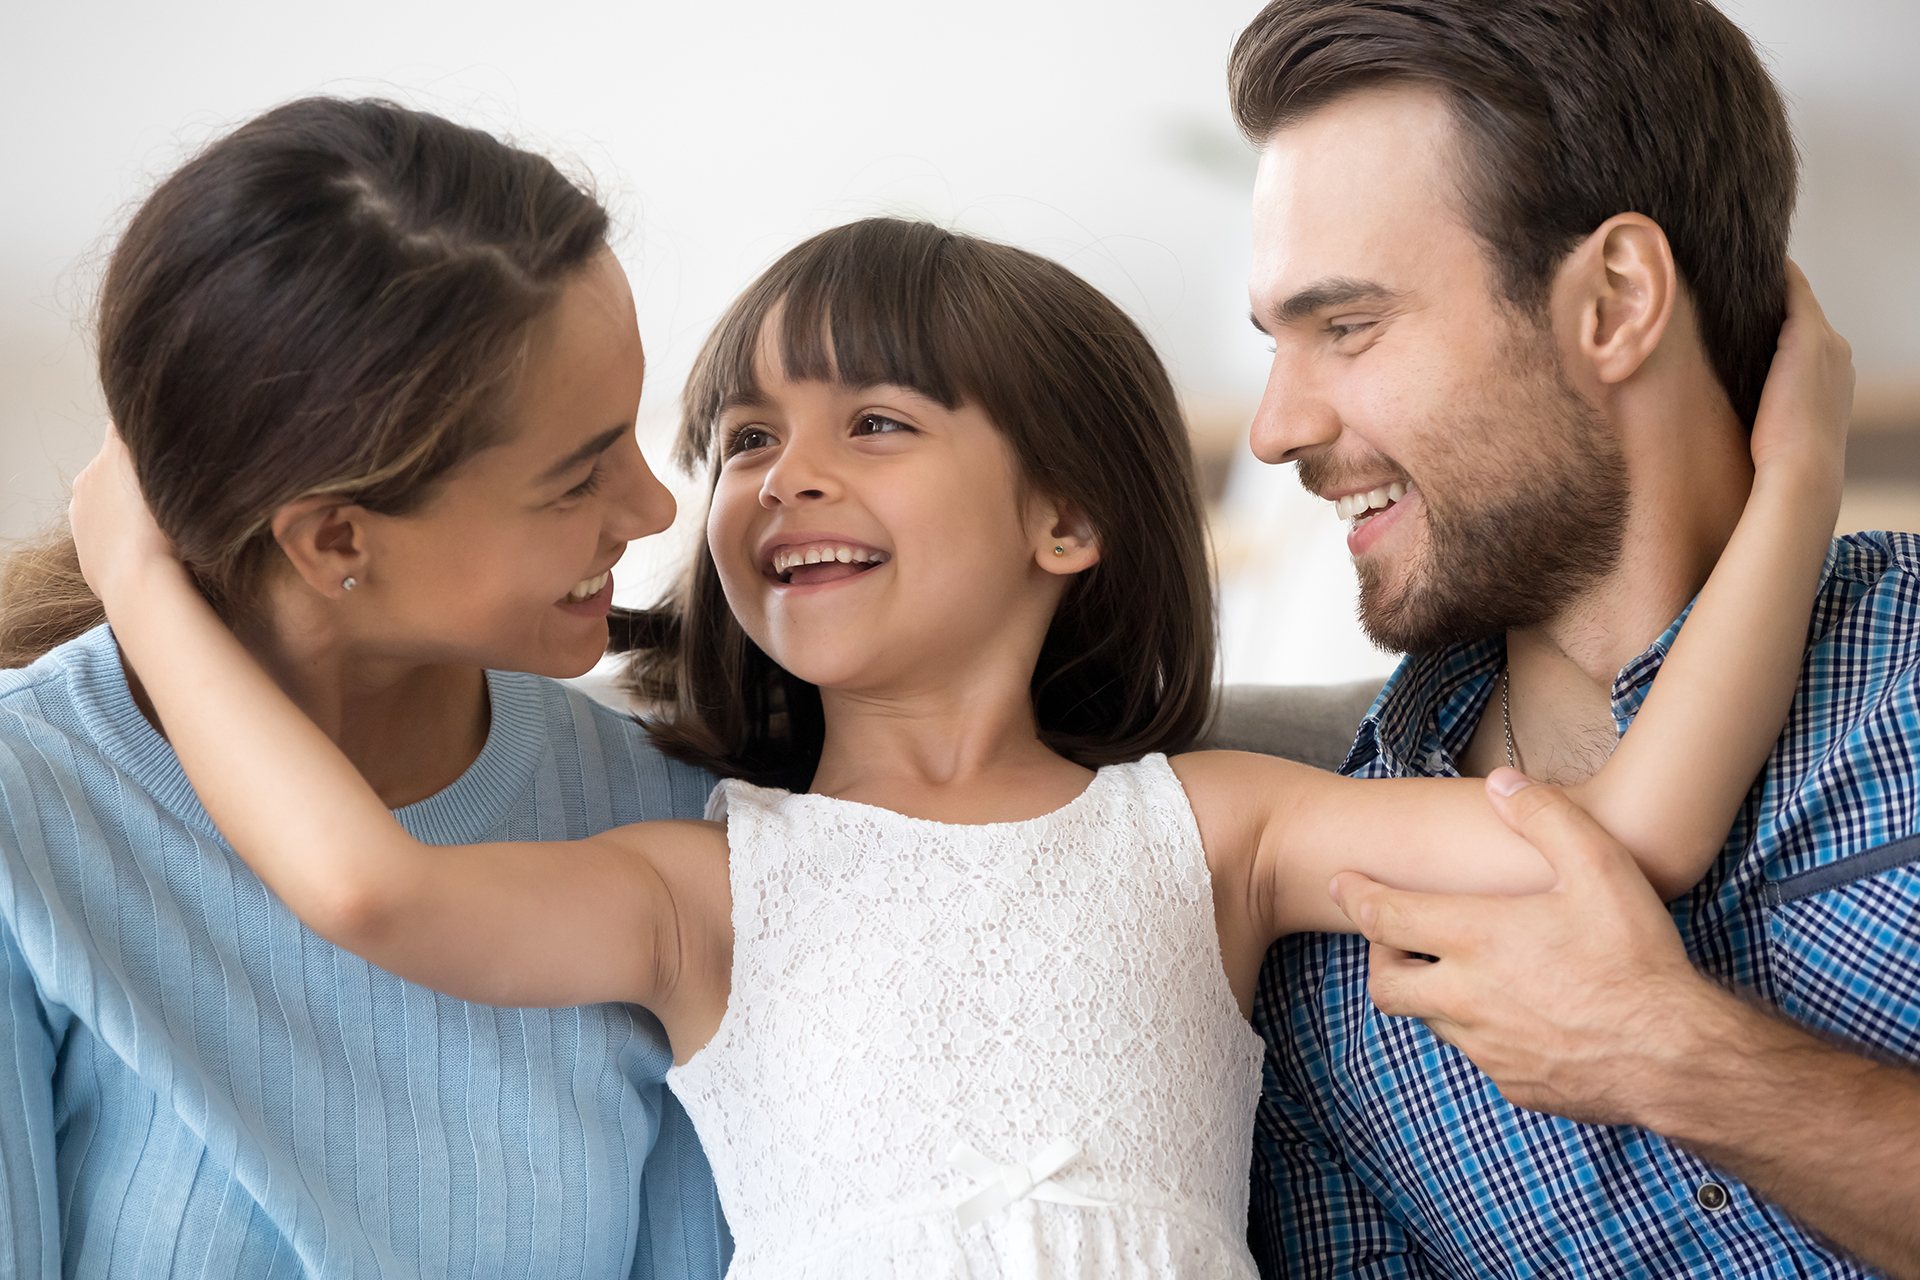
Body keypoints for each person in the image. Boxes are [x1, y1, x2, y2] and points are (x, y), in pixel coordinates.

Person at [68, 215, 1847, 1278]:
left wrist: (1804, 470)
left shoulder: (1219, 828)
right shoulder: (702, 882)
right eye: (743, 435)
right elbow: (368, 890)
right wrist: (139, 571)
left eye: (878, 420)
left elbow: (1640, 832)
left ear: (1068, 520)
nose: (783, 475)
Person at [1228, 1, 1920, 1276]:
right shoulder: (1331, 948)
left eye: (1347, 325)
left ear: (1615, 301)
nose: (1274, 428)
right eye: (1274, 342)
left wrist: (1682, 1059)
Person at [0, 98, 728, 1278]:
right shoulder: (29, 812)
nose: (651, 509)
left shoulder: (661, 829)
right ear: (337, 538)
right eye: (576, 475)